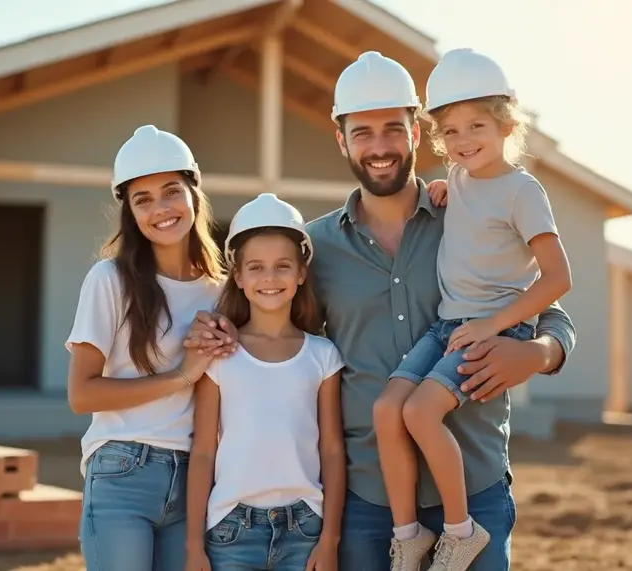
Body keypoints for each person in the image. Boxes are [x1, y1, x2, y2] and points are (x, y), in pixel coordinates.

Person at [184, 50, 576, 571]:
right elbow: (266, 316)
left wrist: (539, 354)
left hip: (475, 482)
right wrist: (213, 327)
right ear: (341, 139)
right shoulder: (313, 249)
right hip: (368, 499)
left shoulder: (464, 213)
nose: (380, 147)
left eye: (393, 129)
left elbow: (550, 308)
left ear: (416, 134)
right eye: (362, 132)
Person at [373, 48, 573, 571]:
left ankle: (462, 533)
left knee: (419, 411)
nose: (464, 142)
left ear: (506, 123)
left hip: (485, 330)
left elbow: (558, 278)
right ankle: (408, 533)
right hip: (447, 326)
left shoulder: (523, 191)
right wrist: (443, 184)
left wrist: (496, 326)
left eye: (477, 126)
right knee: (387, 410)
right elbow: (459, 202)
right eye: (452, 132)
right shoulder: (456, 181)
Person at [65, 125, 227, 571]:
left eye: (171, 191)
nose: (161, 209)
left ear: (194, 193)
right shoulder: (109, 281)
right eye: (143, 199)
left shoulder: (224, 292)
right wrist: (180, 376)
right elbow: (82, 394)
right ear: (130, 212)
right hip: (123, 469)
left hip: (196, 477)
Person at [184, 193, 346, 571]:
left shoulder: (323, 356)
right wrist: (194, 547)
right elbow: (204, 451)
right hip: (230, 531)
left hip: (305, 528)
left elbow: (333, 451)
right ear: (237, 276)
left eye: (282, 266)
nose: (269, 278)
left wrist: (330, 539)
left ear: (301, 273)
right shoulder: (219, 357)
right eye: (255, 267)